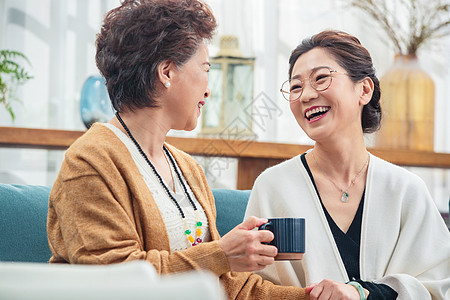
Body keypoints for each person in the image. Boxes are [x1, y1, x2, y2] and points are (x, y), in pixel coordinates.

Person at [46, 0, 308, 299]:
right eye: (205, 68)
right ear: (167, 72)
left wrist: (312, 297)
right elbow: (114, 277)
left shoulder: (187, 168)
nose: (208, 89)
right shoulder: (89, 161)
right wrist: (219, 254)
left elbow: (228, 284)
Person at [245, 30, 450, 299]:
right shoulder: (274, 187)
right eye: (296, 86)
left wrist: (363, 293)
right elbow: (254, 287)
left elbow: (437, 287)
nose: (306, 95)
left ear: (364, 89)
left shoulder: (406, 190)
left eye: (321, 78)